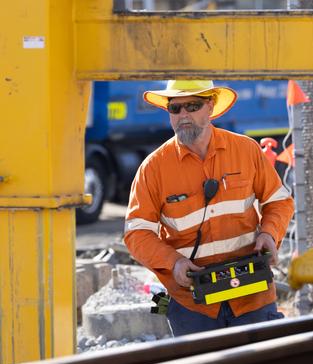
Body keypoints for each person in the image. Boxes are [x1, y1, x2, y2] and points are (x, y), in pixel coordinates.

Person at [123, 80, 294, 336]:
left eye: (192, 106)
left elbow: (278, 200)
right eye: (175, 108)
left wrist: (269, 234)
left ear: (210, 107)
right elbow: (136, 233)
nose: (183, 115)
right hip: (192, 304)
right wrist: (175, 263)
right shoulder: (154, 168)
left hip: (251, 295)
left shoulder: (245, 150)